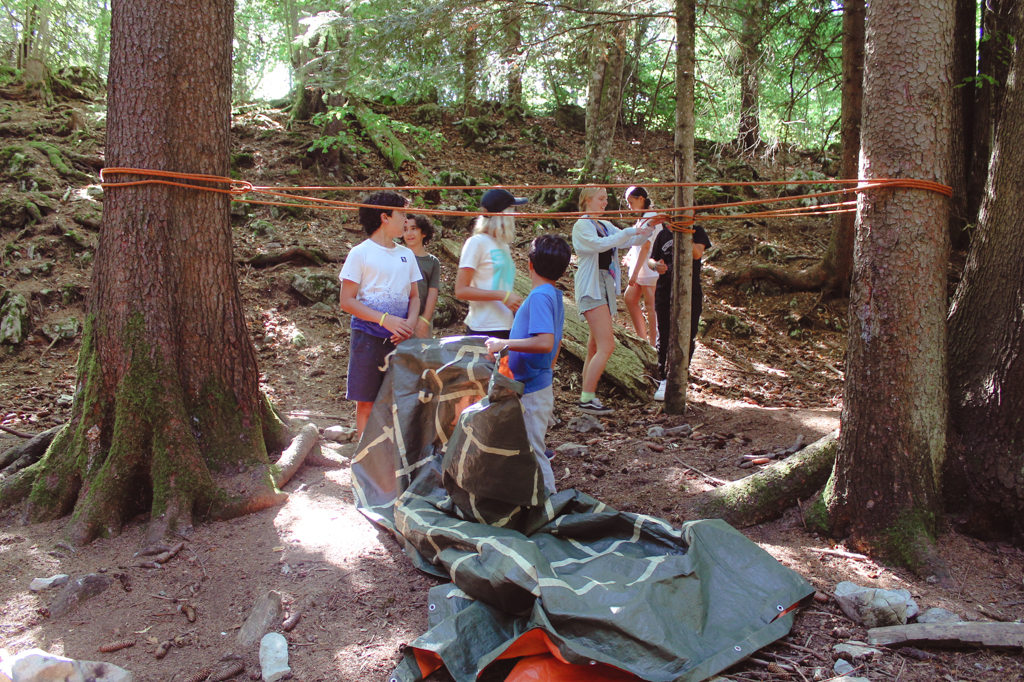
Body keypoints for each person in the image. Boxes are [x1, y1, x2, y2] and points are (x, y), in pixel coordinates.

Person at [485, 234, 571, 495]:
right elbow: (555, 342)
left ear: (530, 264)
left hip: (533, 388)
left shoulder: (540, 297)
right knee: (524, 446)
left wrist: (504, 345)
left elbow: (545, 342)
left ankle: (551, 504)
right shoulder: (552, 294)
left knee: (534, 449)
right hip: (532, 383)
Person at [338, 191, 421, 436]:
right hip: (367, 338)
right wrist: (386, 320)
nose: (406, 220)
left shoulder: (406, 255)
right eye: (402, 214)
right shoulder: (360, 253)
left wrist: (409, 325)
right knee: (366, 401)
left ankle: (393, 458)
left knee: (399, 401)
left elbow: (415, 297)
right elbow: (347, 301)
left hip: (401, 340)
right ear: (385, 217)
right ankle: (364, 461)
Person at [572, 186, 657, 415]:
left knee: (594, 346)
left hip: (605, 287)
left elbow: (631, 242)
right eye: (601, 198)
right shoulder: (582, 225)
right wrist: (628, 232)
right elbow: (600, 244)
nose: (605, 203)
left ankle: (586, 395)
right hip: (591, 288)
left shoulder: (603, 224)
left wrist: (651, 225)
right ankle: (587, 399)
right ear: (588, 200)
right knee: (606, 345)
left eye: (606, 199)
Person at [649, 221, 712, 401]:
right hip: (664, 291)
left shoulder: (697, 232)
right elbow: (650, 259)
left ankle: (680, 376)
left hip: (689, 292)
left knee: (687, 333)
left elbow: (697, 253)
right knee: (664, 333)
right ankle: (663, 379)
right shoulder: (662, 234)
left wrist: (683, 233)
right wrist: (656, 266)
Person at [455, 188, 526, 339]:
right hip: (482, 329)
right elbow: (461, 290)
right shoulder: (476, 242)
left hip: (507, 327)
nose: (514, 215)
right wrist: (502, 296)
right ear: (502, 214)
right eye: (511, 210)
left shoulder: (503, 246)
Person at [621, 186, 661, 346]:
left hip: (649, 268)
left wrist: (635, 273)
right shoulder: (643, 218)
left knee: (651, 307)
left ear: (641, 199)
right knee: (630, 298)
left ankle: (654, 344)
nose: (630, 206)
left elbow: (646, 246)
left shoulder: (653, 217)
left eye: (631, 202)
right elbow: (639, 242)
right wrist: (631, 254)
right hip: (641, 267)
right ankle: (642, 338)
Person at [403, 214, 441, 338]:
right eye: (405, 229)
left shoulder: (432, 262)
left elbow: (432, 292)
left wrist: (425, 320)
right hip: (399, 318)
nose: (409, 233)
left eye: (414, 229)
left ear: (423, 232)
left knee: (420, 355)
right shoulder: (397, 256)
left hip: (421, 318)